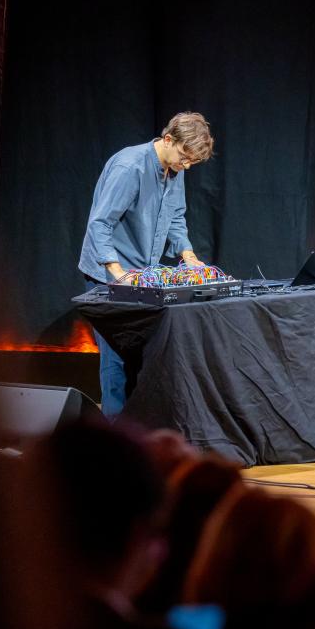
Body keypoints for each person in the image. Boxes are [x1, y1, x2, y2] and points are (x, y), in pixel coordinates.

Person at [78, 112, 214, 418]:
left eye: (192, 161)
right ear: (168, 139)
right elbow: (100, 224)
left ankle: (140, 433)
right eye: (184, 157)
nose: (187, 166)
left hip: (141, 275)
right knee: (115, 360)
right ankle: (116, 435)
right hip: (109, 274)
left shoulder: (175, 170)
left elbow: (176, 217)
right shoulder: (130, 167)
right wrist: (117, 274)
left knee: (141, 357)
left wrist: (188, 255)